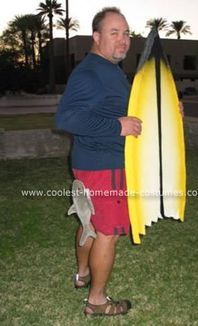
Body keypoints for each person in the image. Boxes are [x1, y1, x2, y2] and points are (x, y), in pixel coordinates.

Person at [56, 7, 142, 317]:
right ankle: (97, 300)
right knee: (108, 231)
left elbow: (124, 107)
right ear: (96, 37)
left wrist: (169, 111)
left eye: (126, 33)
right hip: (105, 165)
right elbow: (67, 117)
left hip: (92, 162)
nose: (123, 40)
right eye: (114, 33)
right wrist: (116, 127)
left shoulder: (109, 69)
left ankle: (82, 274)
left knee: (88, 221)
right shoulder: (91, 72)